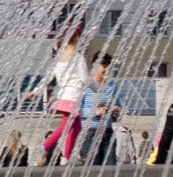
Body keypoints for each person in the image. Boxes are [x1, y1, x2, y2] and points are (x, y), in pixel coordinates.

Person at [27, 28, 92, 164]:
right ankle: (44, 148)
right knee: (65, 127)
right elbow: (86, 79)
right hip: (73, 97)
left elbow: (49, 77)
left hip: (64, 97)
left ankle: (67, 158)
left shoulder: (59, 58)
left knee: (76, 126)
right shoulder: (78, 57)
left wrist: (36, 90)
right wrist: (98, 89)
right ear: (76, 38)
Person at [78, 52, 121, 166]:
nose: (106, 69)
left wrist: (115, 110)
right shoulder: (85, 85)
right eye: (103, 65)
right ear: (94, 64)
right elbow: (76, 111)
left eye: (108, 65)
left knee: (110, 168)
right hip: (89, 133)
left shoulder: (112, 85)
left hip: (107, 131)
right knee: (91, 170)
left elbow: (118, 108)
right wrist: (95, 112)